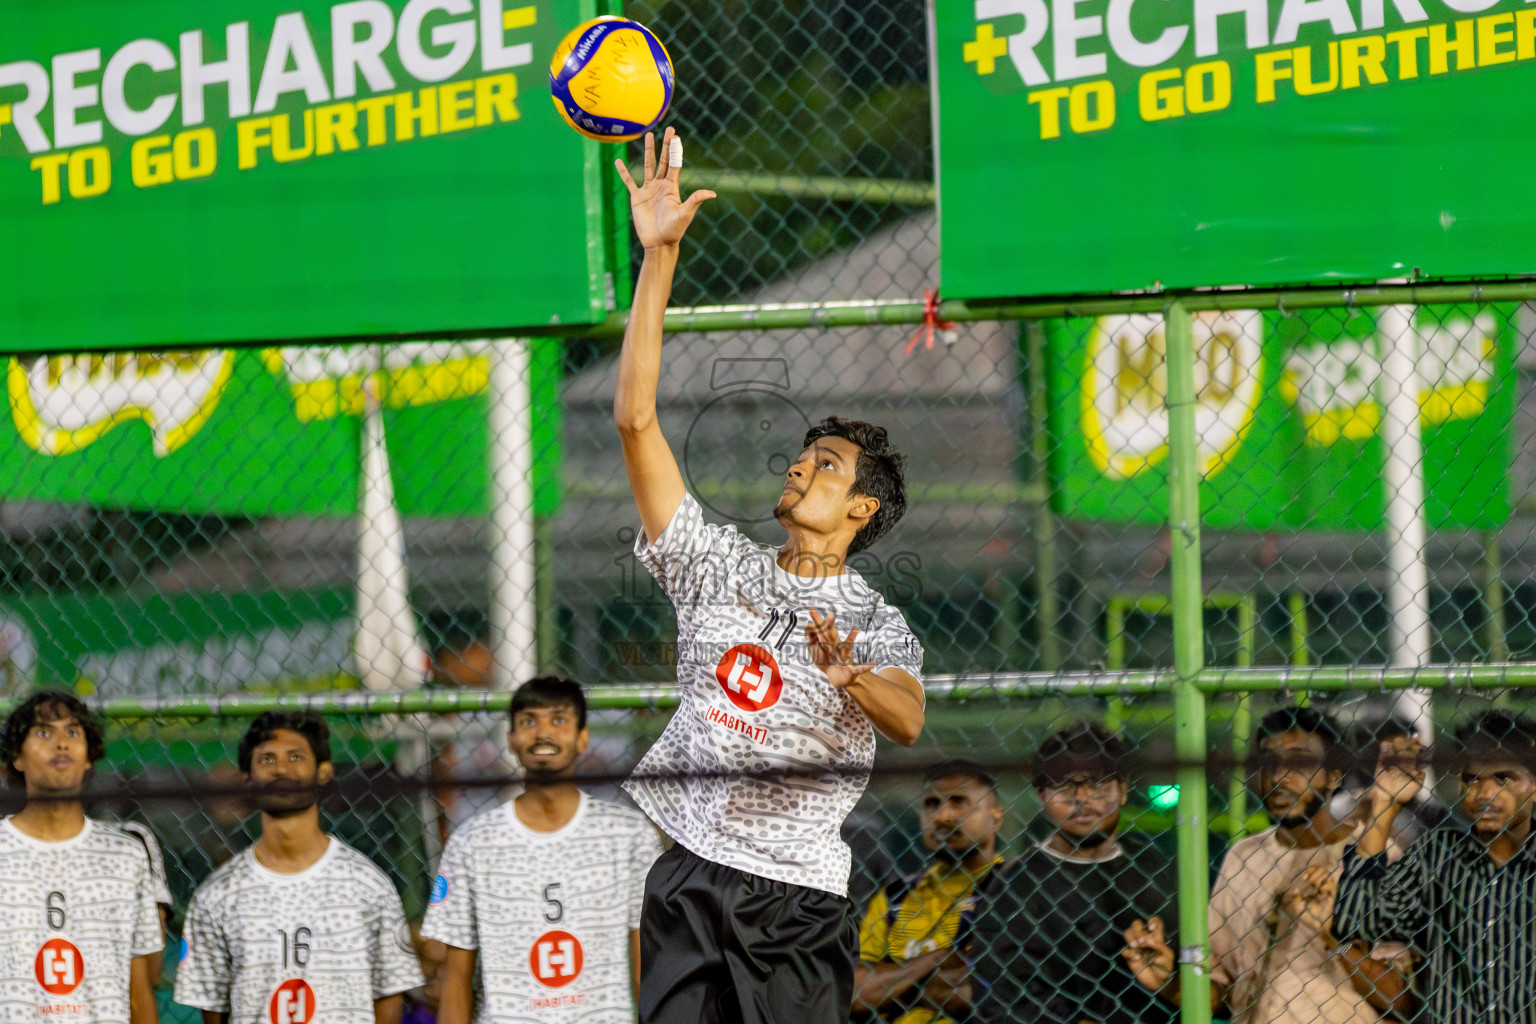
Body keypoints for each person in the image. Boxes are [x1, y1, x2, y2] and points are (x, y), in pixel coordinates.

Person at [611, 127, 926, 1024]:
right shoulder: (713, 564)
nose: (800, 466)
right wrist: (659, 258)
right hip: (688, 872)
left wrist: (852, 678)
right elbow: (636, 421)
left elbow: (908, 719)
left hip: (793, 897)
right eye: (802, 455)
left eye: (826, 465)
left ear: (861, 509)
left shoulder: (874, 621)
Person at [1124, 705, 1408, 1024]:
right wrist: (1169, 983)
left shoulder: (1375, 854)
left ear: (1333, 776)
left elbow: (1403, 999)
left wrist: (1331, 938)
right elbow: (1227, 991)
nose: (1278, 777)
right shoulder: (1244, 856)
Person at [422, 676, 662, 1024]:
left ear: (583, 738)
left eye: (559, 720)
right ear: (511, 739)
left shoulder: (629, 835)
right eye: (528, 721)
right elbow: (455, 979)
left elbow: (648, 971)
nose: (543, 732)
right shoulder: (472, 842)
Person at [174, 711, 424, 1024]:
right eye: (267, 759)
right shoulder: (216, 895)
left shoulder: (367, 884)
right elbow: (213, 1009)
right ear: (247, 778)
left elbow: (389, 995)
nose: (281, 768)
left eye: (296, 757)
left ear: (323, 772)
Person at [965, 723, 1177, 1024]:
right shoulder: (1012, 885)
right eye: (1065, 786)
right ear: (1042, 796)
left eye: (1097, 784)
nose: (1082, 798)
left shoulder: (1154, 869)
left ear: (1122, 791)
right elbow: (1002, 998)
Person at [1334, 710, 1536, 1024]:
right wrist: (1386, 803)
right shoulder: (1437, 855)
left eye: (1503, 778)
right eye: (1471, 779)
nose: (1485, 794)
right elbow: (1356, 921)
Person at [0, 690, 163, 1024]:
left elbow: (139, 990)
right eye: (43, 732)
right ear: (17, 757)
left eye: (73, 732)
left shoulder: (125, 854)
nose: (61, 743)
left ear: (89, 756)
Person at [853, 761, 1003, 1024]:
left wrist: (892, 983)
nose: (942, 816)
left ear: (995, 817)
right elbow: (855, 993)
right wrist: (936, 959)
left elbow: (991, 992)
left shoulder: (1014, 888)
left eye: (958, 803)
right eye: (932, 804)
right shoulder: (895, 897)